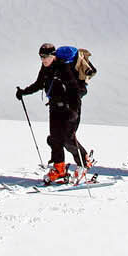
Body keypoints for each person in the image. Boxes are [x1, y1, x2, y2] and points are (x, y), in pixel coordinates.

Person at [17, 42, 92, 184]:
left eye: (46, 57)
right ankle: (59, 169)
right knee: (55, 139)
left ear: (53, 55)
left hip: (69, 108)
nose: (43, 60)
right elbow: (39, 84)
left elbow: (75, 90)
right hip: (54, 107)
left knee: (68, 139)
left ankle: (84, 162)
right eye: (41, 57)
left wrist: (74, 111)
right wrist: (23, 92)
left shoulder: (63, 68)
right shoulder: (45, 68)